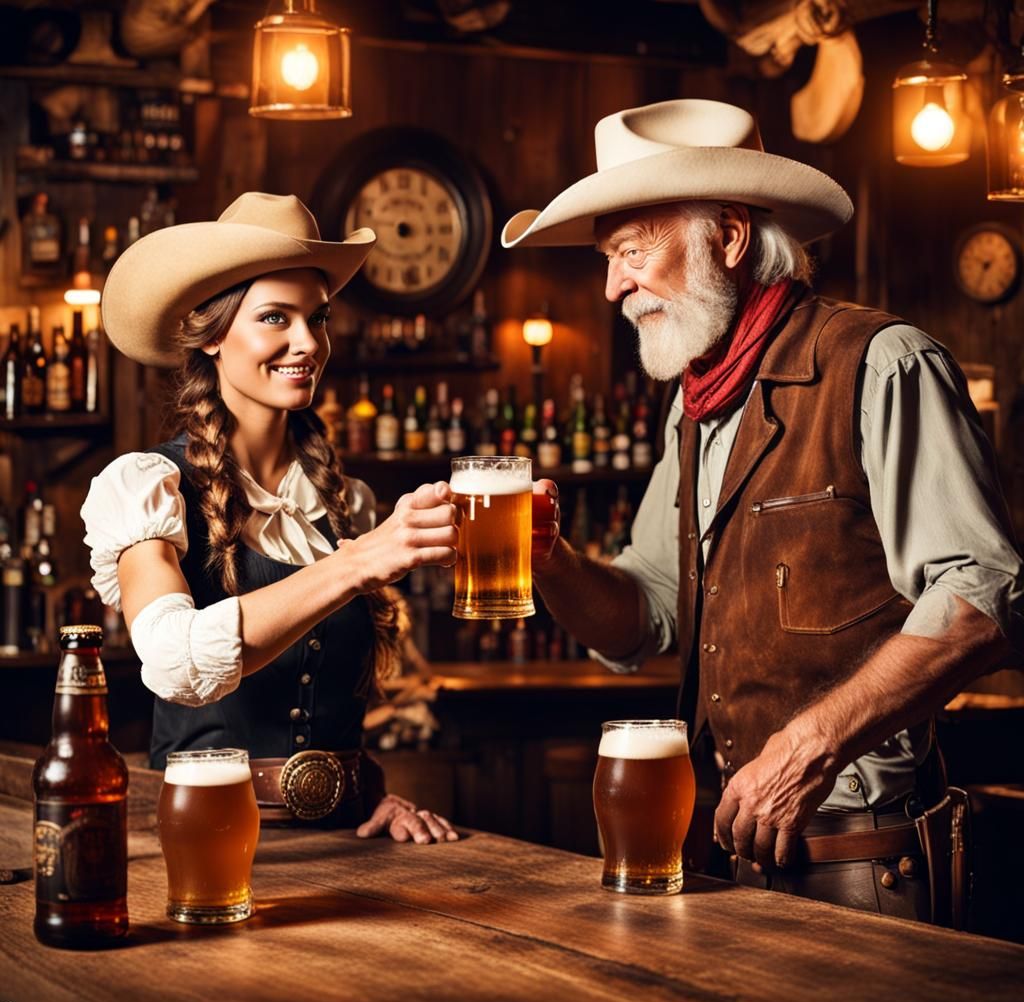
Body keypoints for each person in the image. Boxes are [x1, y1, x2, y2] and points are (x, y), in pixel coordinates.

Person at [506, 99, 1024, 918]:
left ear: (731, 237)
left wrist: (808, 746)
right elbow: (646, 615)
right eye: (609, 258)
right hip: (731, 859)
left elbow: (983, 599)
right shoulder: (695, 403)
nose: (612, 285)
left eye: (632, 250)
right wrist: (550, 561)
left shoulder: (881, 364)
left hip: (867, 861)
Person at [82, 192, 459, 843]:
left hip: (344, 841)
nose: (308, 342)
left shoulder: (350, 504)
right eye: (276, 317)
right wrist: (359, 562)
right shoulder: (149, 487)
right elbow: (175, 665)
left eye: (318, 318)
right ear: (214, 335)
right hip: (204, 836)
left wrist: (371, 793)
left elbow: (338, 705)